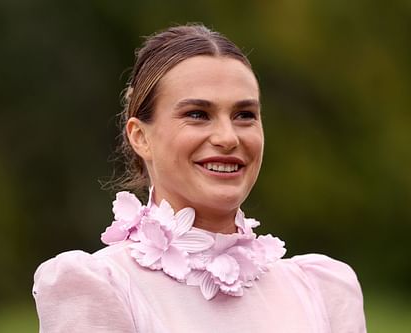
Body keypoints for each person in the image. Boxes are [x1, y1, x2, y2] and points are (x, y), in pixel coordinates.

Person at [33, 24, 367, 332]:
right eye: (197, 115)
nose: (228, 137)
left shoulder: (322, 290)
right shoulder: (100, 287)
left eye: (244, 115)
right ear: (140, 137)